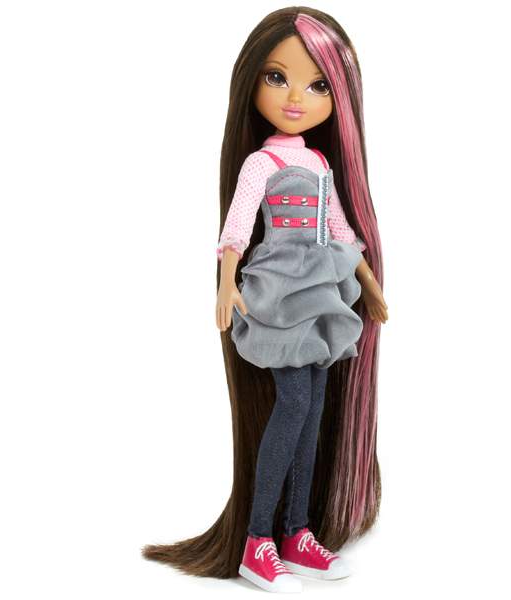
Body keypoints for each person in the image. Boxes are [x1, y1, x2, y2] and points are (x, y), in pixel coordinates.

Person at [142, 7, 388, 593]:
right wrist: (226, 283)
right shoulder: (262, 162)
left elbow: (339, 227)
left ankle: (297, 532)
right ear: (251, 81)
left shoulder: (320, 163)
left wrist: (370, 283)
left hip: (321, 290)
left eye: (318, 85)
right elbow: (237, 226)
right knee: (293, 403)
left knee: (315, 409)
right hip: (279, 289)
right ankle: (258, 540)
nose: (296, 97)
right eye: (278, 77)